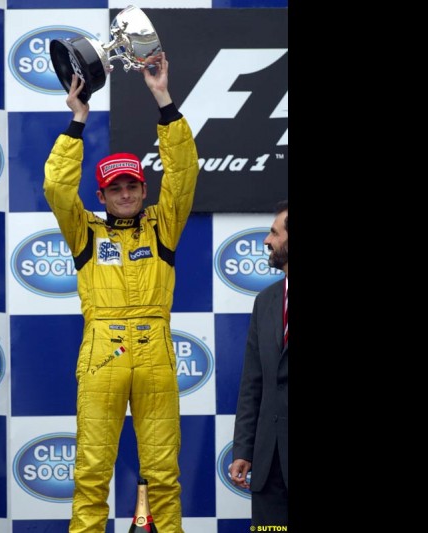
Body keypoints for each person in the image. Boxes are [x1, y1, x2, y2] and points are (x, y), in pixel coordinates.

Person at [43, 52, 199, 533]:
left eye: (133, 184)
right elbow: (55, 186)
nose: (127, 193)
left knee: (164, 476)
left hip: (154, 351)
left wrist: (163, 99)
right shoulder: (84, 231)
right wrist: (78, 120)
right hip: (102, 353)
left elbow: (185, 173)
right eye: (116, 187)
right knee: (91, 475)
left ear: (144, 189)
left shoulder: (163, 226)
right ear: (102, 194)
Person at [228, 200, 289, 527]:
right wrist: (244, 449)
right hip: (270, 466)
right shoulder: (265, 301)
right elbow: (253, 383)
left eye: (274, 233)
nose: (267, 241)